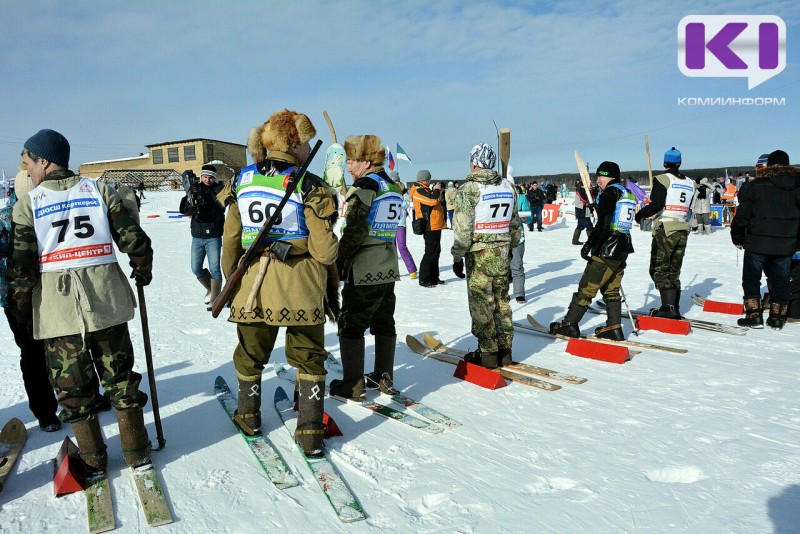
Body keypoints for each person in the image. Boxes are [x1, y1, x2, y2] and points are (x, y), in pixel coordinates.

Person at [10, 129, 154, 475]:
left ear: (44, 160)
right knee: (119, 379)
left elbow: (21, 268)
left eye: (28, 162)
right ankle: (136, 451)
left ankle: (93, 458)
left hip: (59, 314)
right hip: (106, 303)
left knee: (73, 389)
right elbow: (135, 240)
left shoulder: (28, 205)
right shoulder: (99, 190)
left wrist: (20, 310)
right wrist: (141, 268)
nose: (27, 170)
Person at [220, 109, 338, 457]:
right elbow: (325, 251)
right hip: (301, 286)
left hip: (252, 285)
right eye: (305, 141)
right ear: (295, 142)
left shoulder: (241, 180)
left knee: (250, 354)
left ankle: (248, 415)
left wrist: (232, 280)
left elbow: (231, 240)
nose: (306, 148)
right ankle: (310, 431)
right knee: (309, 359)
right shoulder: (310, 183)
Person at [330, 134, 401, 398]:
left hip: (364, 268)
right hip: (388, 264)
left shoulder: (365, 186)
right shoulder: (391, 186)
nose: (348, 167)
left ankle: (353, 384)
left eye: (351, 161)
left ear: (367, 161)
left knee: (351, 324)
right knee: (384, 321)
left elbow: (355, 230)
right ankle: (384, 376)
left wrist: (339, 261)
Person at [1, 163, 61, 431]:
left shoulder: (50, 208)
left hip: (52, 292)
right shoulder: (6, 218)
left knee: (65, 347)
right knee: (33, 354)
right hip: (16, 298)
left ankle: (80, 398)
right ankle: (46, 412)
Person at [451, 143, 521, 368]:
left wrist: (457, 256)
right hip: (502, 252)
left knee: (482, 303)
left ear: (474, 162)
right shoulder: (508, 186)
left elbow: (462, 229)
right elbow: (515, 224)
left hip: (479, 254)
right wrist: (512, 244)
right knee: (502, 301)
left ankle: (488, 354)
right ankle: (505, 350)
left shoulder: (469, 189)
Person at [551, 161, 635, 340]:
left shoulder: (610, 192)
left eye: (600, 176)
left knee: (587, 287)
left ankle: (570, 324)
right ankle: (614, 327)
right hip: (622, 248)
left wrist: (589, 243)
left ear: (609, 176)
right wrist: (597, 208)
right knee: (611, 288)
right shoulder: (626, 192)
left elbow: (604, 225)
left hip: (607, 249)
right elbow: (613, 215)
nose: (598, 180)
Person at [731, 150, 800, 330]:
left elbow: (742, 216)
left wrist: (737, 236)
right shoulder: (797, 185)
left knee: (752, 279)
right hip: (786, 243)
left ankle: (754, 315)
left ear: (768, 165)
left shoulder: (756, 185)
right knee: (782, 280)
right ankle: (778, 317)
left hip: (757, 243)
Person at [634, 147, 696, 318]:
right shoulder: (691, 183)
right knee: (673, 270)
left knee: (659, 269)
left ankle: (668, 308)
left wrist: (640, 215)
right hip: (682, 229)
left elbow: (657, 205)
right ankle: (672, 307)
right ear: (680, 162)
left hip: (666, 229)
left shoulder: (662, 179)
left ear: (664, 163)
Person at [179, 164, 225, 310]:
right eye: (205, 177)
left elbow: (220, 204)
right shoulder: (194, 188)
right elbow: (184, 210)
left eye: (211, 177)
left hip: (213, 235)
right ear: (201, 176)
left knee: (215, 269)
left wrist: (204, 196)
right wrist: (190, 199)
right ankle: (211, 289)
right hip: (197, 236)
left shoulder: (220, 189)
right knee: (196, 268)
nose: (207, 180)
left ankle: (216, 299)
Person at [410, 170, 446, 287]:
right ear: (426, 179)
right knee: (430, 253)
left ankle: (434, 277)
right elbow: (432, 201)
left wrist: (437, 191)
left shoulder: (424, 189)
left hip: (435, 224)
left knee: (436, 252)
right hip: (429, 225)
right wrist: (436, 190)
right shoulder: (418, 190)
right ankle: (424, 279)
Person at [390, 171, 417, 279]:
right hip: (390, 222)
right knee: (391, 248)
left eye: (395, 180)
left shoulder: (404, 190)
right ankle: (392, 270)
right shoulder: (387, 190)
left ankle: (412, 269)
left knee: (402, 246)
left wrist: (399, 204)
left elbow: (406, 203)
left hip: (400, 222)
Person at [511, 181, 531, 303]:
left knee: (517, 265)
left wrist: (526, 218)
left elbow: (528, 216)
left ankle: (519, 293)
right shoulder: (497, 197)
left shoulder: (521, 198)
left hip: (517, 237)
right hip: (500, 236)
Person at [573, 180, 594, 245]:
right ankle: (591, 242)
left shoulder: (585, 190)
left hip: (584, 212)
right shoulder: (581, 191)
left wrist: (591, 190)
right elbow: (585, 199)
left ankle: (575, 240)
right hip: (582, 212)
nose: (591, 186)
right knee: (589, 226)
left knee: (580, 226)